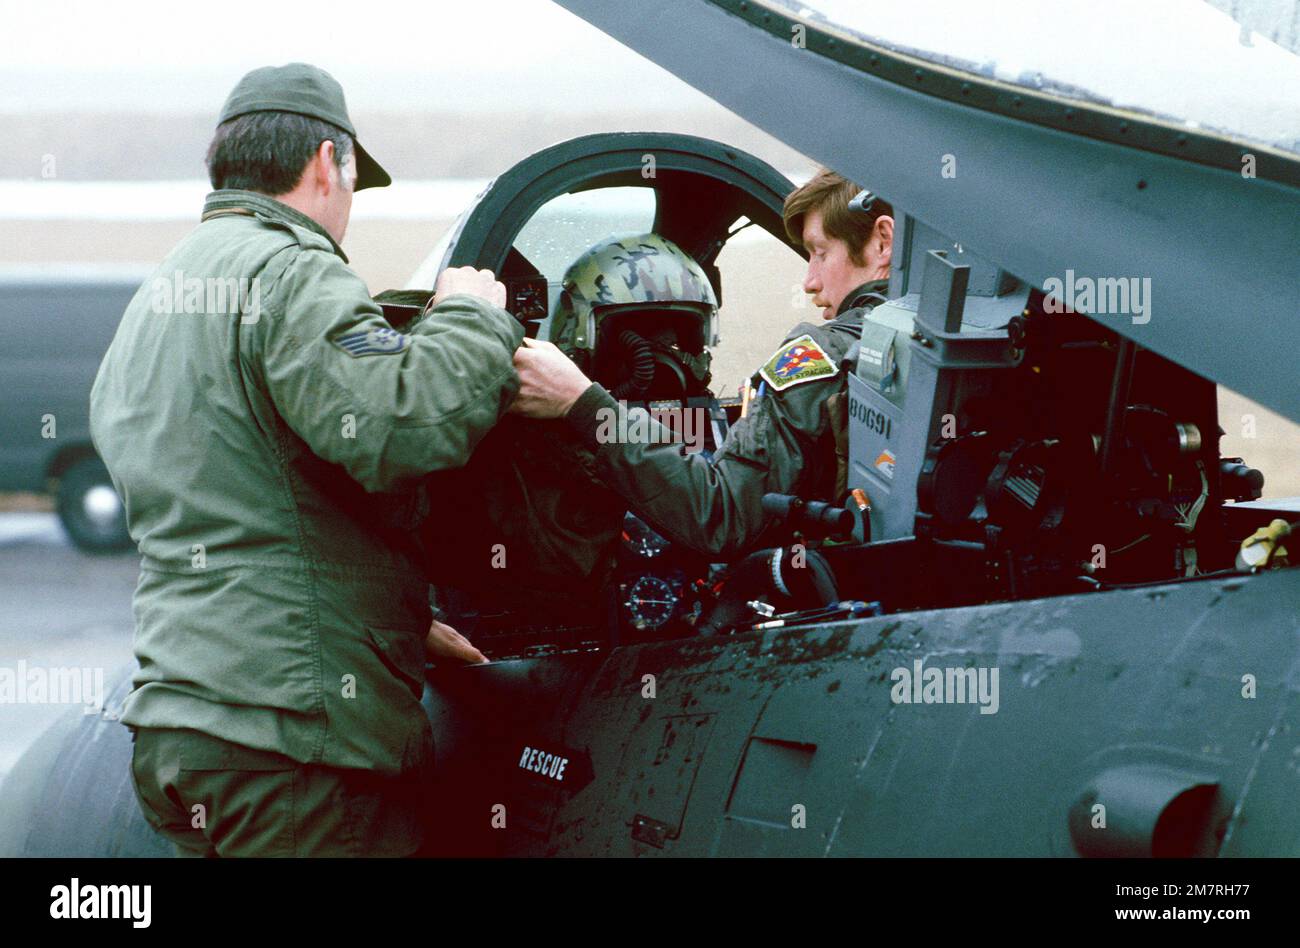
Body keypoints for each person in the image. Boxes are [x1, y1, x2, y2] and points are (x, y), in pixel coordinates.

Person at [89, 63, 522, 857]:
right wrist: (470, 319)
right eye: (355, 180)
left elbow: (244, 498)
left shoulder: (161, 297)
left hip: (188, 730)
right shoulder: (292, 271)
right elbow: (403, 426)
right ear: (327, 161)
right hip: (294, 746)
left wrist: (387, 614)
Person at [509, 168, 893, 557]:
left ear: (882, 242)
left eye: (821, 252)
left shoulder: (821, 355)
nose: (809, 281)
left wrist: (583, 404)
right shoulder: (941, 346)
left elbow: (722, 517)